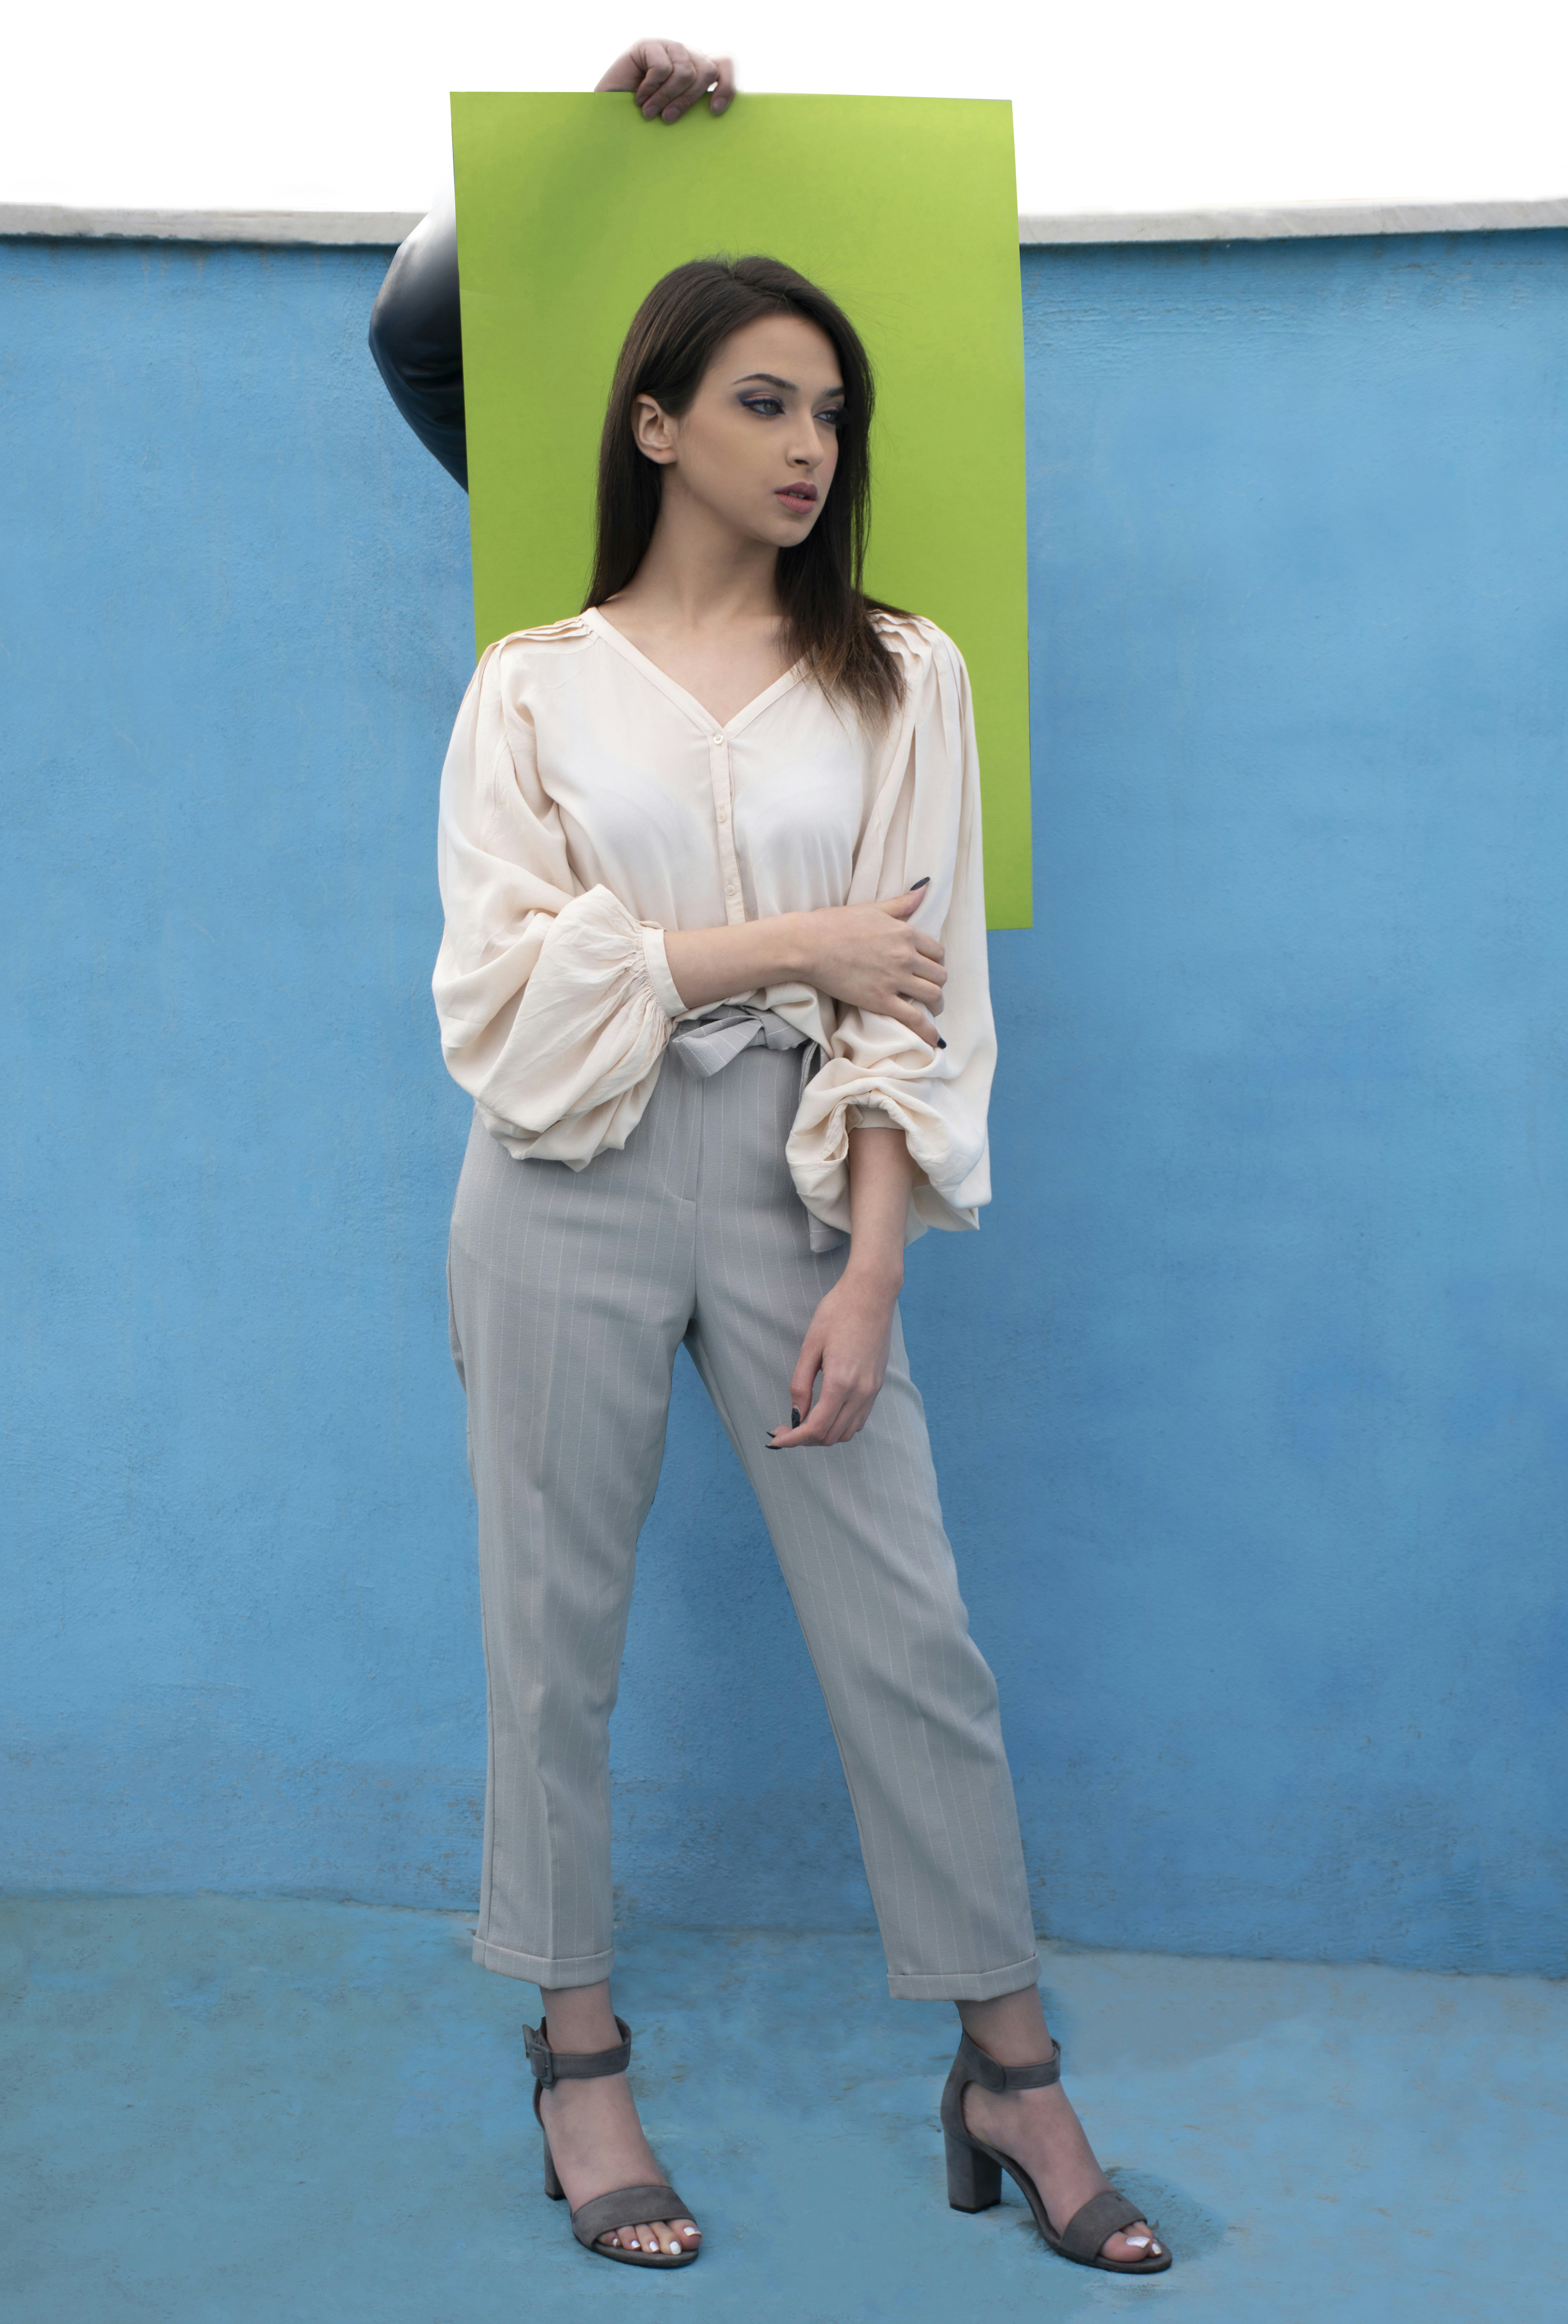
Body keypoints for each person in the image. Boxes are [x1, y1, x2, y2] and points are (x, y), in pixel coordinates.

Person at [369, 37, 1171, 2282]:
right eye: (757, 401)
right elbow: (498, 997)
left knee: (910, 1638)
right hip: (558, 1178)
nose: (808, 445)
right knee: (552, 1638)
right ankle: (578, 2060)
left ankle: (1008, 2067)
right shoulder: (530, 687)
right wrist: (599, 110)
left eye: (829, 409)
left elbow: (912, 1012)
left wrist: (872, 1262)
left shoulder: (901, 677)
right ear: (648, 418)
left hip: (804, 1179)